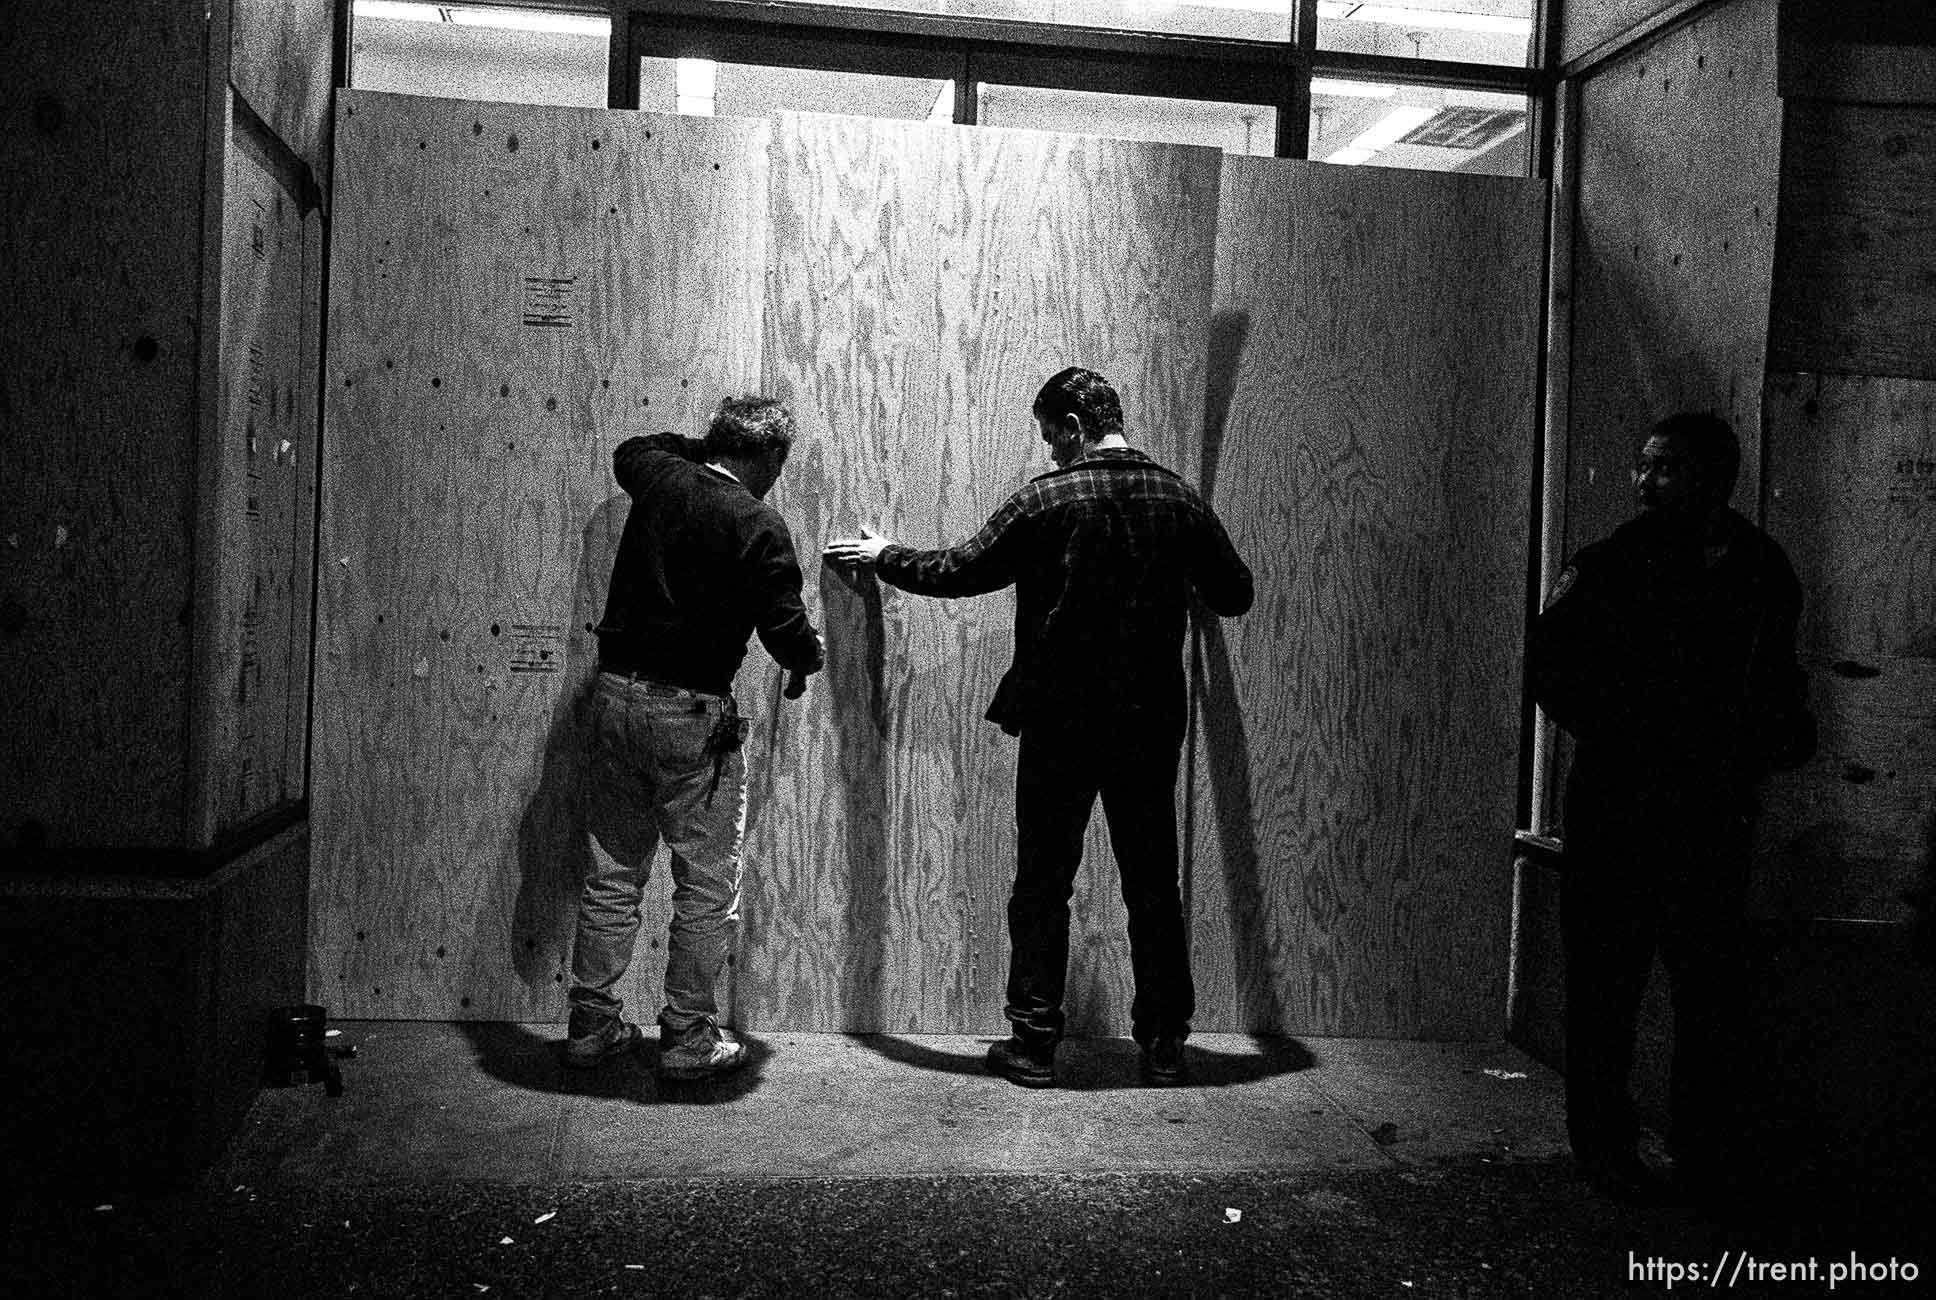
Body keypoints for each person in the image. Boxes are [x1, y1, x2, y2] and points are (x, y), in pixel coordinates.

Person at [824, 367, 1253, 1088]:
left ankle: (1034, 1046)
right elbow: (1234, 594)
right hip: (1150, 724)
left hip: (1061, 721)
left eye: (1050, 434)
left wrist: (882, 555)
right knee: (1153, 886)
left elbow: (958, 570)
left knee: (1044, 884)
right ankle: (1166, 1046)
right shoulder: (1179, 498)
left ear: (1075, 426)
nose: (1050, 450)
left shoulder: (1047, 500)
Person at [1528, 410, 1815, 1199]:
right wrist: (1634, 730)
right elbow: (1549, 670)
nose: (1643, 482)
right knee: (1605, 993)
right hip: (1626, 806)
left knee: (1705, 994)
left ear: (1712, 482)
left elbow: (1777, 681)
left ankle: (1701, 1146)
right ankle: (1607, 1150)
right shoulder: (1614, 564)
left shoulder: (1760, 569)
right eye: (1642, 466)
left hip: (1703, 814)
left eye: (1664, 468)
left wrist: (1763, 739)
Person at [565, 397, 823, 1081]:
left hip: (614, 696)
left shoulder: (660, 475)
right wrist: (811, 655)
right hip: (690, 714)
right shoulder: (758, 523)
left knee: (613, 873)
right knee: (706, 886)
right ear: (768, 456)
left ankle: (591, 1024)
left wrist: (702, 446)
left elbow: (633, 446)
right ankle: (686, 1038)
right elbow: (786, 631)